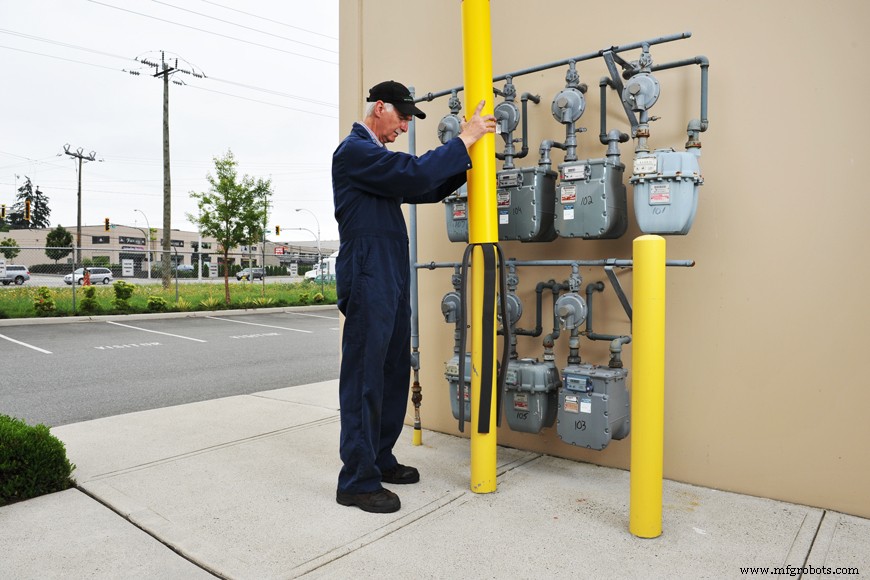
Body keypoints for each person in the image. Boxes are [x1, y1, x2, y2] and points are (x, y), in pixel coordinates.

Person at [331, 80, 496, 513]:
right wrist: (464, 139)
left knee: (390, 373)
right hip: (368, 274)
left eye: (408, 120)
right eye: (402, 118)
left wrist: (467, 160)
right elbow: (415, 173)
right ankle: (356, 480)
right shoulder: (354, 152)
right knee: (365, 378)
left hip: (387, 274)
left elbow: (423, 187)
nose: (404, 126)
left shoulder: (377, 162)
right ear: (379, 107)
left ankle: (379, 457)